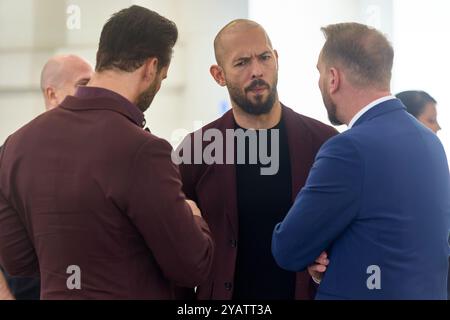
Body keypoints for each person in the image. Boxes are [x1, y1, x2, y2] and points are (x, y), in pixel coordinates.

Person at [0, 5, 214, 299]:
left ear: (103, 56)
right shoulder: (144, 150)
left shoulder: (15, 146)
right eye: (162, 77)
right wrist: (193, 217)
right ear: (151, 68)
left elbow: (17, 260)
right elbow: (193, 265)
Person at [272, 22, 450, 299]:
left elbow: (289, 248)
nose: (319, 82)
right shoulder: (431, 142)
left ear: (333, 78)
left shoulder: (348, 150)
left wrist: (319, 246)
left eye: (319, 72)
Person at [176, 19, 337, 300]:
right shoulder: (196, 149)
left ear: (276, 59)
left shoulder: (323, 142)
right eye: (241, 63)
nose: (257, 71)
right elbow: (173, 241)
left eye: (264, 57)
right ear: (218, 75)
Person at [0, 54, 93, 300]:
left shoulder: (100, 150)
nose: (92, 93)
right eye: (83, 85)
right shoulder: (13, 154)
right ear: (52, 94)